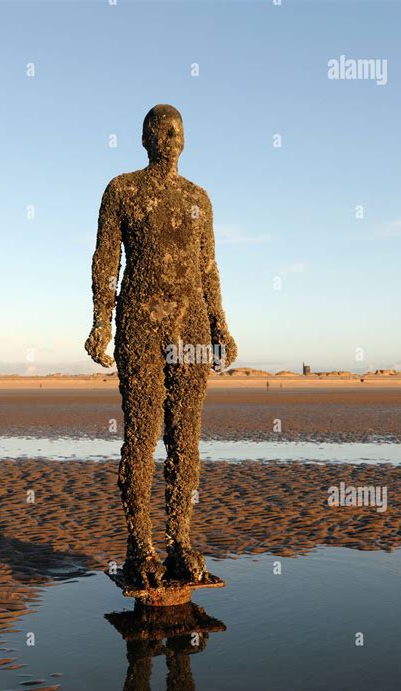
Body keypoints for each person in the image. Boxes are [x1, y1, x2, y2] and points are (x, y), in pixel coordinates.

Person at [85, 104, 237, 588]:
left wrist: (221, 327)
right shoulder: (123, 190)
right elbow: (106, 260)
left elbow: (209, 269)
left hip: (190, 328)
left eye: (178, 131)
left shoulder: (199, 198)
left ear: (185, 140)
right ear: (146, 137)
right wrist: (99, 325)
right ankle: (139, 547)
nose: (171, 137)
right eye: (162, 129)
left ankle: (181, 543)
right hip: (140, 326)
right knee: (143, 432)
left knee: (186, 438)